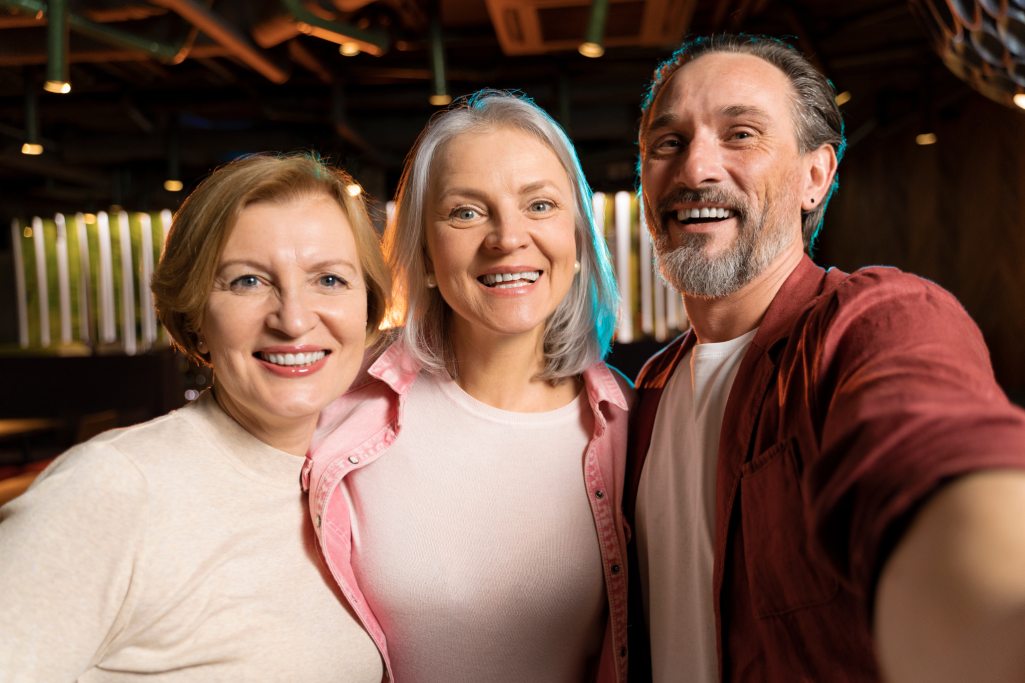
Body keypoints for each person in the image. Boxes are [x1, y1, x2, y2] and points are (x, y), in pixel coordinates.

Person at [626, 33, 1025, 683]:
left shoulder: (875, 319)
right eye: (666, 143)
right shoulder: (646, 390)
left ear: (815, 176)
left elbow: (933, 453)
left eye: (740, 134)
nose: (694, 167)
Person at [0, 153, 390, 681]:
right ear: (195, 319)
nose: (294, 319)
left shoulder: (358, 482)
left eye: (329, 280)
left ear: (368, 307)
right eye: (248, 281)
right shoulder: (112, 489)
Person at [302, 89, 631, 683]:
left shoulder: (632, 427)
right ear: (425, 254)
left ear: (578, 241)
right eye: (466, 212)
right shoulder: (337, 409)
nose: (508, 238)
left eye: (539, 205)